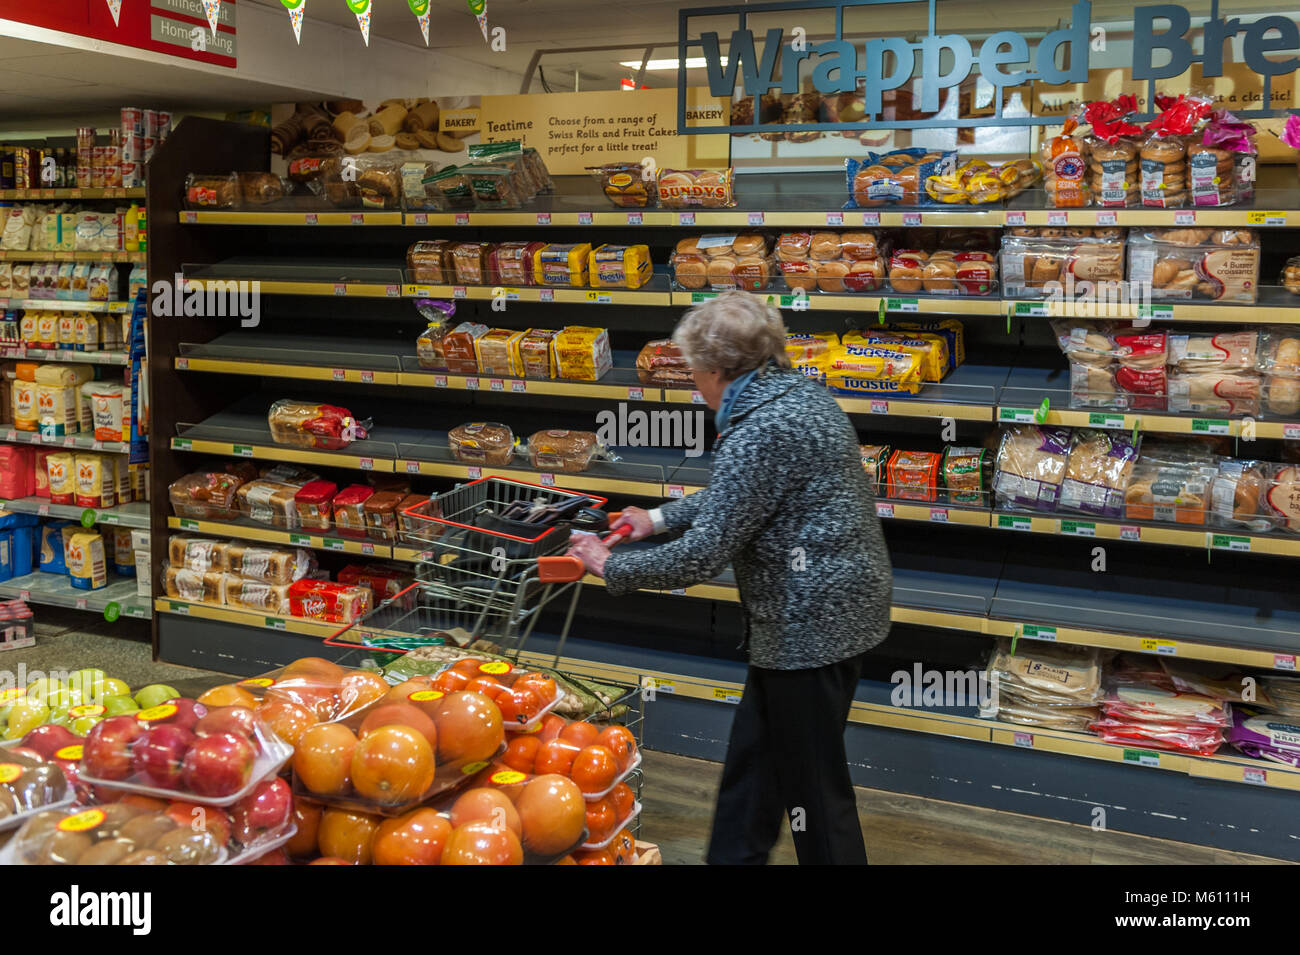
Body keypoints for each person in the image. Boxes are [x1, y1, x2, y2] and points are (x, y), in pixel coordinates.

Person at [565, 290, 892, 865]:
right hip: (828, 616)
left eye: (694, 372)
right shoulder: (796, 396)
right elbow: (741, 498)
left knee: (814, 798)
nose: (694, 385)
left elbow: (700, 557)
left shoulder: (757, 429)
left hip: (810, 631)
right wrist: (656, 518)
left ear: (717, 369)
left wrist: (608, 564)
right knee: (754, 776)